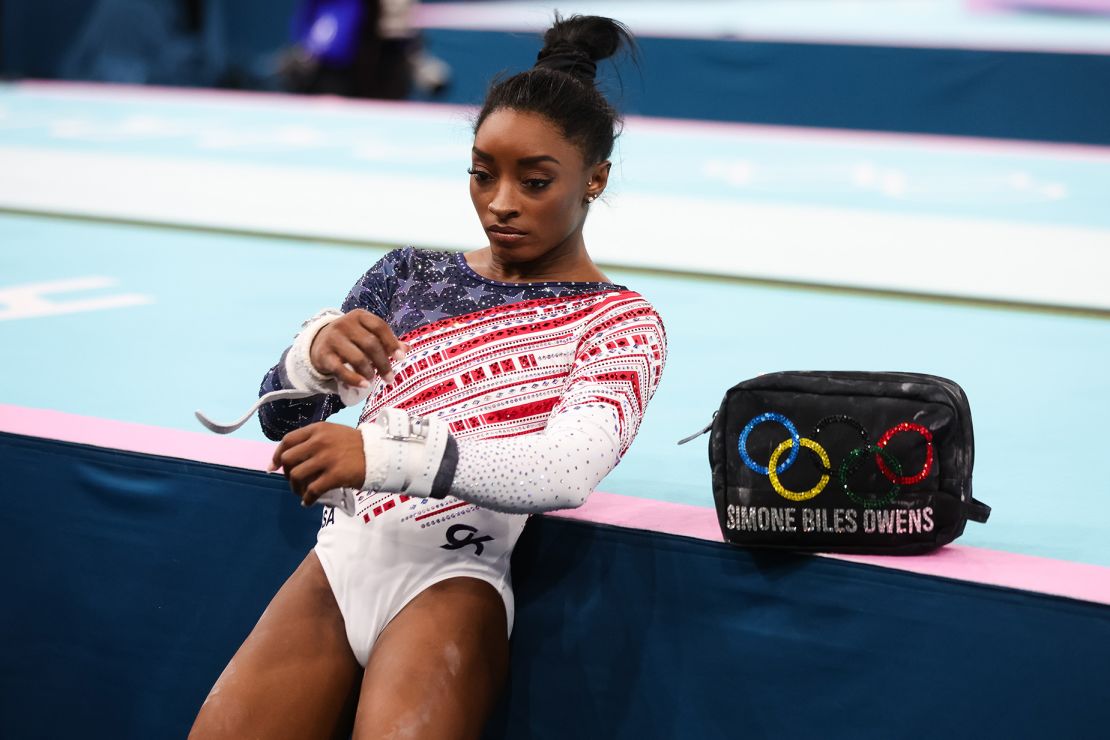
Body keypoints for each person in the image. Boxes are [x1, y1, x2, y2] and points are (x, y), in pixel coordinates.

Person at [190, 14, 666, 739]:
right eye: (482, 173)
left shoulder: (619, 323)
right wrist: (311, 357)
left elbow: (564, 470)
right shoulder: (409, 274)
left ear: (594, 178)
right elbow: (283, 420)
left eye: (535, 181)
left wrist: (381, 453)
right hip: (339, 564)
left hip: (452, 578)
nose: (500, 202)